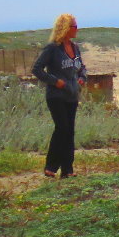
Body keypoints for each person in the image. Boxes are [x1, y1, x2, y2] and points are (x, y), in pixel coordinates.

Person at [31, 13, 86, 178]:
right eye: (73, 26)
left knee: (69, 131)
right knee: (62, 128)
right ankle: (51, 166)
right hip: (56, 96)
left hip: (71, 96)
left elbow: (81, 67)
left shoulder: (75, 48)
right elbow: (37, 69)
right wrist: (55, 81)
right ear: (65, 28)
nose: (76, 29)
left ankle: (67, 170)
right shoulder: (53, 48)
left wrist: (82, 78)